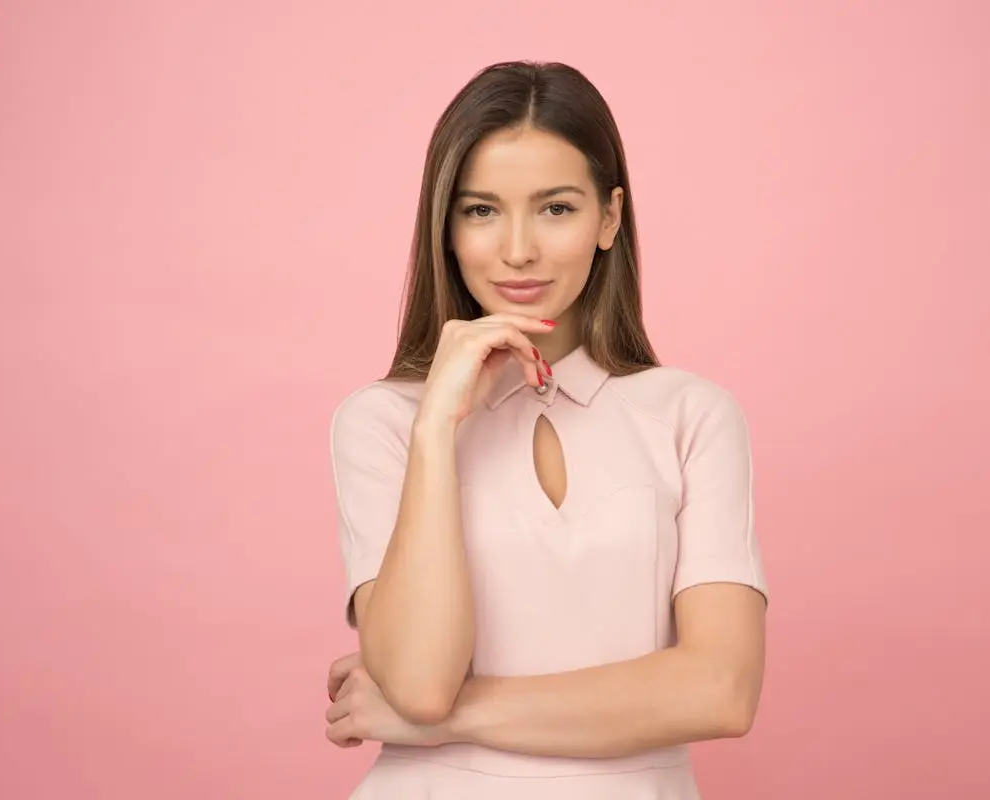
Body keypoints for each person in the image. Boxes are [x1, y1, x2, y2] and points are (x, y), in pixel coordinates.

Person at [322, 60, 768, 799]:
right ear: (446, 225)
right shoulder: (384, 423)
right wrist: (437, 424)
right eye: (481, 210)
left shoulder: (692, 416)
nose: (519, 249)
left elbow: (720, 690)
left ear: (610, 218)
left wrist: (445, 721)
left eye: (556, 208)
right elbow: (420, 681)